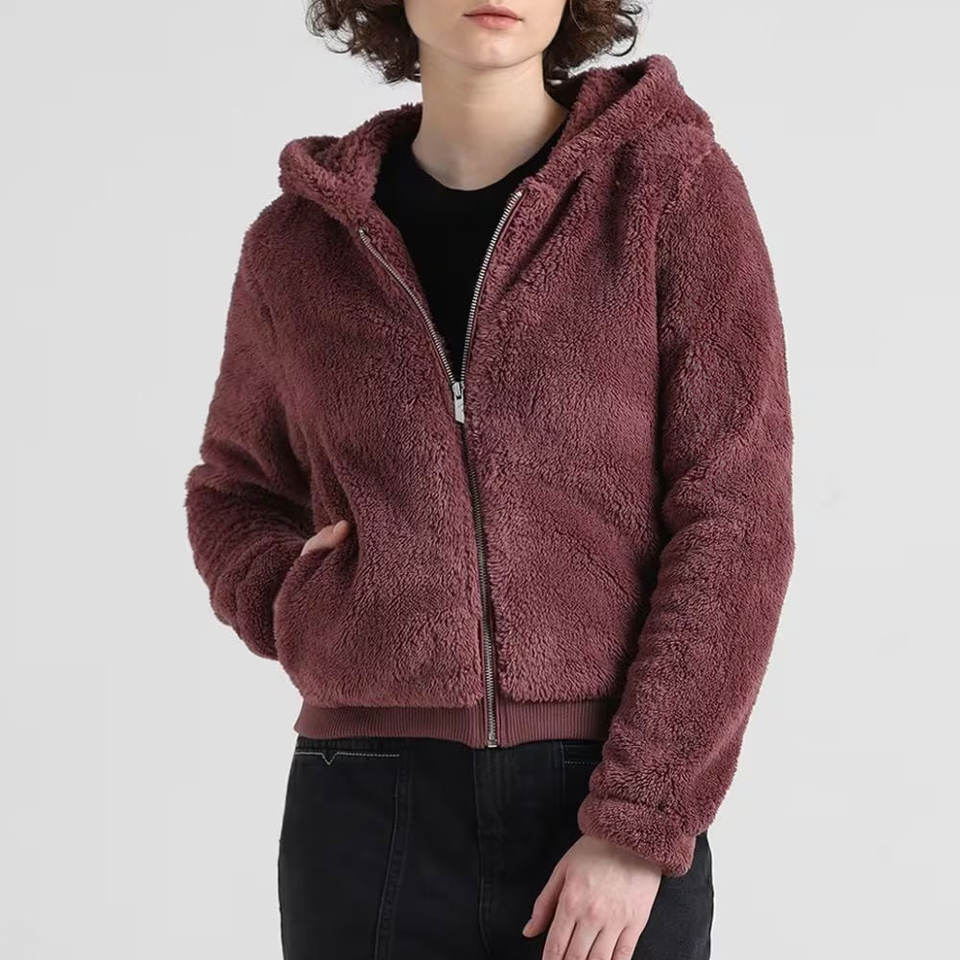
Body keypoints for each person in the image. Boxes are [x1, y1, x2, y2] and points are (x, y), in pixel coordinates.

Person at [183, 1, 795, 958]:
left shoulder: (668, 190)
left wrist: (639, 821)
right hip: (364, 802)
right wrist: (298, 601)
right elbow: (234, 489)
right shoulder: (300, 243)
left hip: (602, 789)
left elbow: (737, 518)